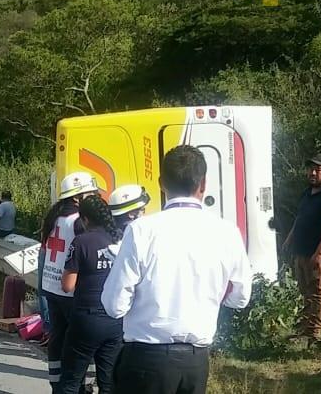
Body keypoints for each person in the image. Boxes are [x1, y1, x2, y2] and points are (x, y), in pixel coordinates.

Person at [102, 145, 252, 394]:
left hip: (146, 359)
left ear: (161, 184)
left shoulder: (141, 230)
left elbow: (114, 305)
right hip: (195, 363)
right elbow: (240, 298)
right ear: (203, 184)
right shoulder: (227, 232)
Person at [41, 171, 99, 394]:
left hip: (51, 287)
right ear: (77, 197)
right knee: (80, 342)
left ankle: (57, 383)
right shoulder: (78, 222)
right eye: (89, 193)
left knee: (58, 337)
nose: (93, 196)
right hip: (70, 291)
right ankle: (80, 385)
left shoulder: (54, 217)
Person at [59, 196, 123, 394]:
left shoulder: (81, 242)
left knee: (71, 381)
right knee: (108, 383)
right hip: (115, 321)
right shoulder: (120, 239)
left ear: (85, 219)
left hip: (87, 319)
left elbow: (67, 286)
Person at [282, 153, 321, 348]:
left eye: (318, 169)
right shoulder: (308, 193)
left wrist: (320, 253)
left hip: (319, 257)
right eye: (310, 169)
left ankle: (315, 334)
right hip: (301, 252)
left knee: (318, 293)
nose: (313, 173)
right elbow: (300, 219)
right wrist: (289, 240)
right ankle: (305, 329)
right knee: (305, 291)